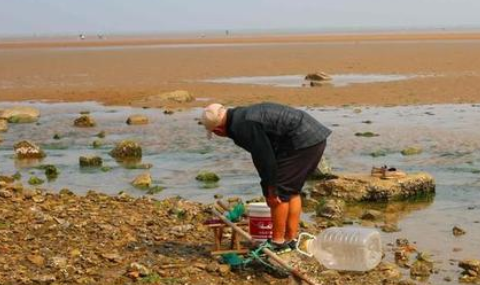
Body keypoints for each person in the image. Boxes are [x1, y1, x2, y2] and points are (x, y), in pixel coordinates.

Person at [200, 102, 331, 252]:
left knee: (279, 194)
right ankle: (290, 239)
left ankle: (277, 242)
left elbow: (265, 158)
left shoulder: (242, 126)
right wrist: (267, 186)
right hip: (312, 136)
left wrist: (271, 188)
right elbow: (261, 155)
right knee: (291, 190)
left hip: (302, 139)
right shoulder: (239, 116)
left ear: (218, 130)